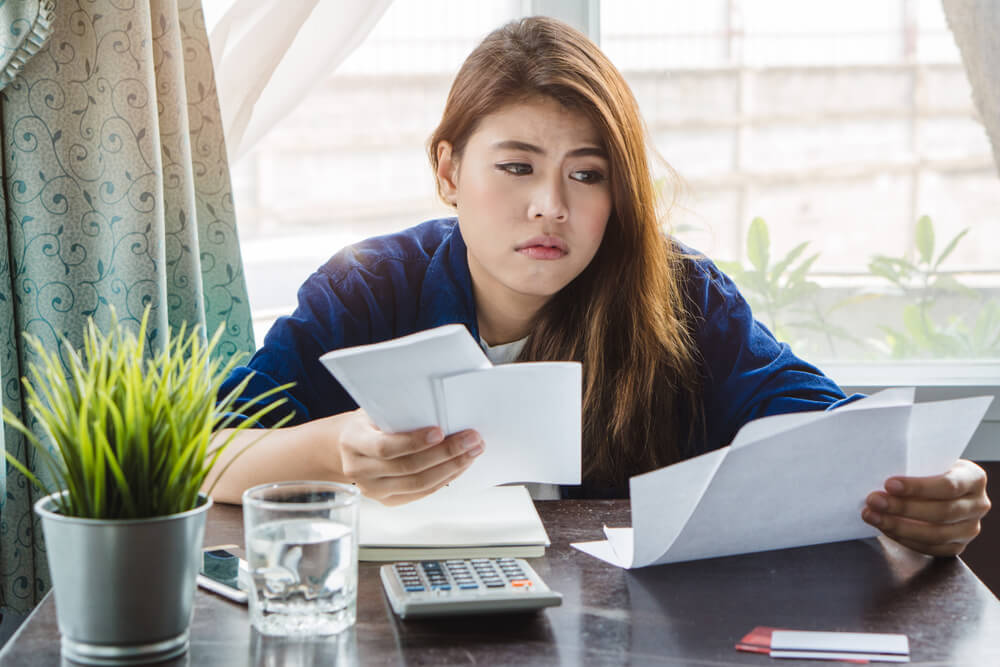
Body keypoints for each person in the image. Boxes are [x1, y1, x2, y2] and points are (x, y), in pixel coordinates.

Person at [206, 17, 989, 557]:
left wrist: (930, 485)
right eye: (516, 167)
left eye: (587, 174)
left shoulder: (680, 295)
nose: (551, 204)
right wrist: (340, 450)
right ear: (448, 170)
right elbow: (204, 453)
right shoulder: (366, 290)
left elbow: (824, 425)